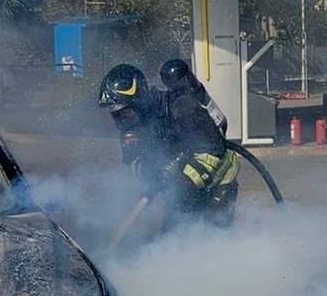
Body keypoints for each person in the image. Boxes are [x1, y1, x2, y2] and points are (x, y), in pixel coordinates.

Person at [99, 63, 240, 231]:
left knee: (212, 234)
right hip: (178, 188)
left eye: (124, 111)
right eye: (116, 114)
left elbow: (211, 151)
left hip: (218, 180)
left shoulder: (182, 107)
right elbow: (133, 162)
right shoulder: (132, 129)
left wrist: (177, 180)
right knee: (172, 235)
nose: (121, 119)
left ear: (139, 100)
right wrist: (149, 172)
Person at [159, 58, 228, 135]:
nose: (188, 82)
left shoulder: (198, 93)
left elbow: (221, 124)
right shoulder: (166, 102)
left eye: (188, 79)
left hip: (207, 139)